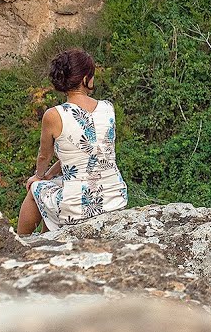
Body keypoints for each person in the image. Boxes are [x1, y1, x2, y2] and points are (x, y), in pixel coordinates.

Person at [17, 48, 128, 235]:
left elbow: (44, 155)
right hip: (115, 199)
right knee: (53, 186)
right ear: (86, 78)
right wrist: (50, 175)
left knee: (36, 189)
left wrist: (39, 176)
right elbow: (85, 154)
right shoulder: (108, 108)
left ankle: (19, 243)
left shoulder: (54, 115)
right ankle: (47, 239)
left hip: (79, 208)